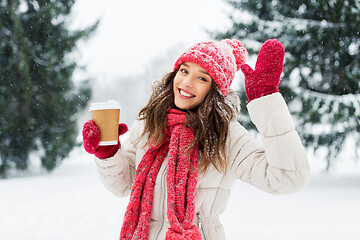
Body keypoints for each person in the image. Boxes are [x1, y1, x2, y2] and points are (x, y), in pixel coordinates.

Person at [82, 38, 310, 240]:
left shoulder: (225, 136)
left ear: (215, 90)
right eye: (184, 70)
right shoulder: (150, 123)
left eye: (202, 78)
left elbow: (288, 178)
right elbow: (123, 185)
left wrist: (266, 100)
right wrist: (108, 152)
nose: (187, 83)